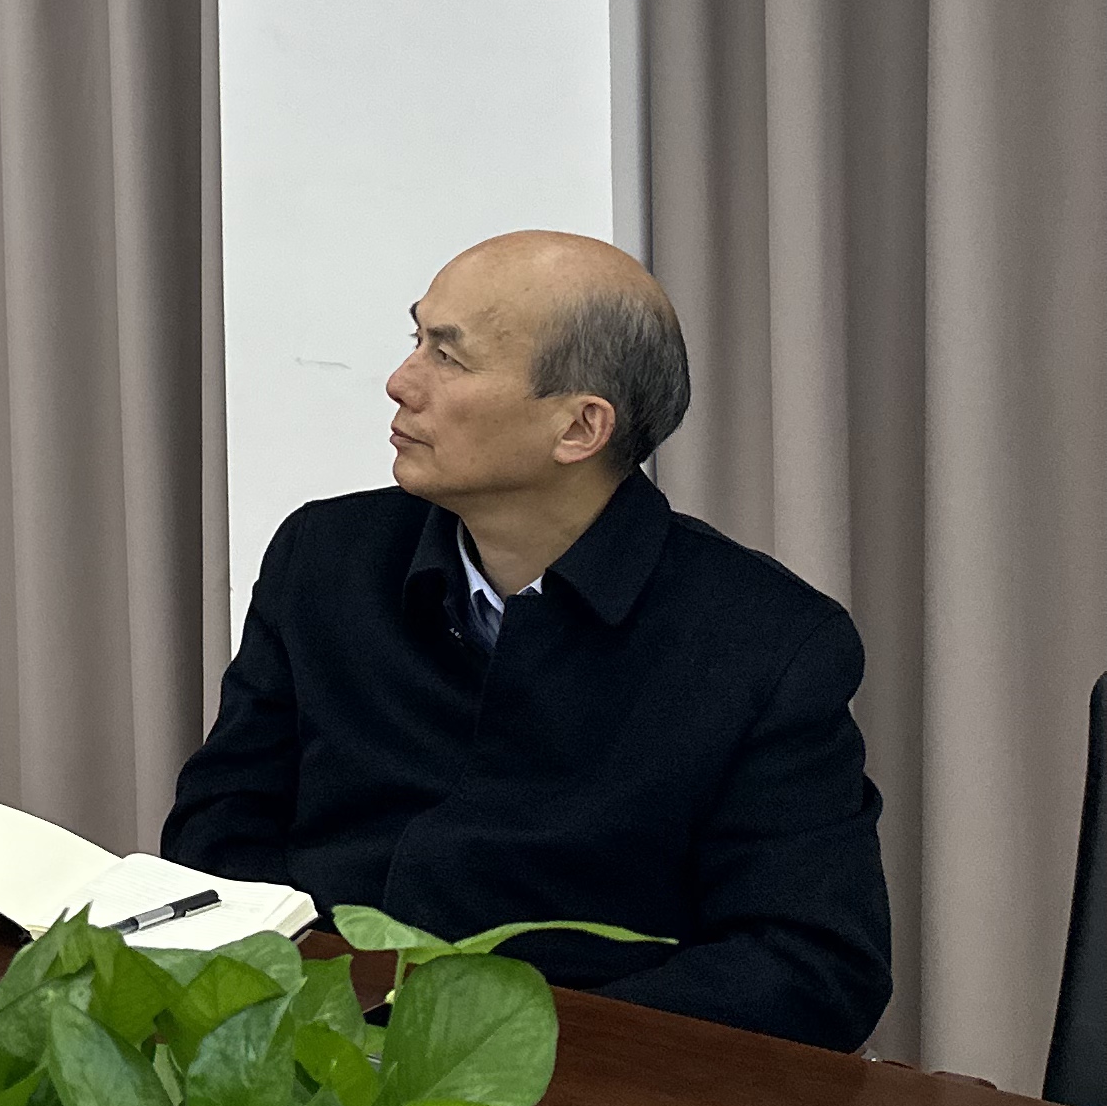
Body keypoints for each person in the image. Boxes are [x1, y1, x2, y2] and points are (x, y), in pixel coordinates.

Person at [163, 229, 891, 1052]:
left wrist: (505, 1043)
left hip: (593, 1102)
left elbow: (811, 966)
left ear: (580, 428)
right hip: (307, 1043)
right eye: (417, 338)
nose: (401, 382)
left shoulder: (767, 643)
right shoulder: (326, 558)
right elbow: (219, 827)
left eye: (450, 357)